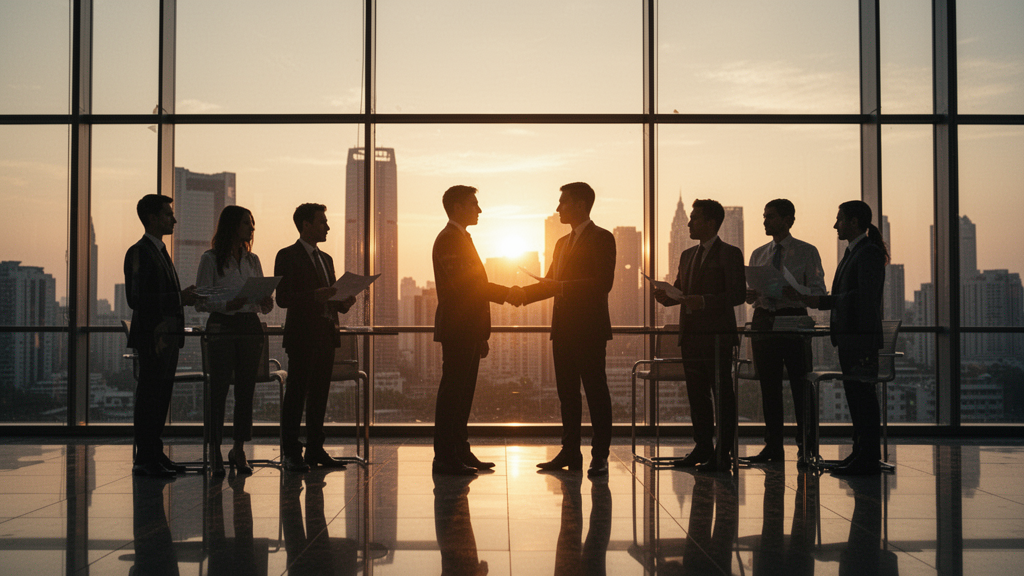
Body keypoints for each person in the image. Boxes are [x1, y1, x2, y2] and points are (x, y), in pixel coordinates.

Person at [509, 182, 616, 477]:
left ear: (581, 204)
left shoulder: (603, 238)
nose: (557, 208)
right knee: (566, 394)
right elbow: (549, 285)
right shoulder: (560, 243)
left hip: (590, 330)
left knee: (596, 392)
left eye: (563, 202)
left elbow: (603, 283)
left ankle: (600, 456)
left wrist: (563, 287)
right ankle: (570, 452)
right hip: (563, 330)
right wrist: (520, 295)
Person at [790, 200, 887, 475]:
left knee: (863, 399)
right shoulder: (856, 251)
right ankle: (860, 453)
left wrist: (823, 301)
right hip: (852, 337)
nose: (835, 225)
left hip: (860, 338)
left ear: (854, 222)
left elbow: (863, 297)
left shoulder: (867, 253)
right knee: (857, 397)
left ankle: (867, 458)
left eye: (840, 219)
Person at [653, 199, 745, 472]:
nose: (689, 223)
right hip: (691, 335)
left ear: (711, 223)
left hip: (717, 337)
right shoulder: (686, 255)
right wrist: (666, 297)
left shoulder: (730, 253)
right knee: (697, 397)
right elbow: (682, 292)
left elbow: (738, 295)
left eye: (694, 218)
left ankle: (723, 453)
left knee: (722, 396)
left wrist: (703, 301)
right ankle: (703, 446)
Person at [431, 185, 512, 475]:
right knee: (453, 394)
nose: (479, 210)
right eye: (473, 204)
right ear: (457, 208)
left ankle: (460, 452)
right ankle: (445, 456)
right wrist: (510, 293)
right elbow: (469, 287)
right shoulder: (449, 239)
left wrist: (481, 333)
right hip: (458, 329)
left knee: (462, 395)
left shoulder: (461, 238)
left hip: (468, 329)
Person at [741, 199, 826, 464]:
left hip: (793, 320)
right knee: (769, 387)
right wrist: (750, 295)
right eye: (764, 216)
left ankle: (807, 447)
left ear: (788, 220)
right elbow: (753, 295)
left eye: (771, 216)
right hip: (764, 320)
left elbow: (819, 291)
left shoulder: (807, 252)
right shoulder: (758, 254)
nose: (765, 221)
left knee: (802, 385)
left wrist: (798, 293)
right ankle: (773, 447)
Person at [274, 203, 356, 473]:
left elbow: (331, 298)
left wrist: (343, 301)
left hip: (326, 333)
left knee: (320, 393)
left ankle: (315, 448)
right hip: (302, 335)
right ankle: (290, 452)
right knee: (297, 393)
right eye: (322, 222)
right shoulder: (287, 255)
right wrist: (313, 296)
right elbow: (283, 298)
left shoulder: (327, 259)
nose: (328, 227)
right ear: (306, 225)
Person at [124, 194, 201, 477]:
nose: (174, 219)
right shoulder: (139, 252)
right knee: (150, 398)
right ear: (153, 218)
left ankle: (154, 453)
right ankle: (145, 458)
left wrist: (180, 298)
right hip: (153, 337)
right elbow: (136, 298)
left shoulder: (159, 251)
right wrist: (177, 297)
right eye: (168, 214)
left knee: (159, 398)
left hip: (166, 337)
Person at [195, 206, 274, 475]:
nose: (251, 228)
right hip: (222, 325)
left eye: (252, 223)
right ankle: (215, 449)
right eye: (246, 223)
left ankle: (238, 448)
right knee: (218, 390)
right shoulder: (210, 259)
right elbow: (201, 302)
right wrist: (231, 303)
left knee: (245, 391)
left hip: (250, 326)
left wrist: (265, 302)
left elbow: (263, 302)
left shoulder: (253, 261)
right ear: (232, 225)